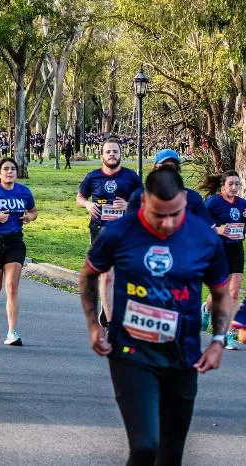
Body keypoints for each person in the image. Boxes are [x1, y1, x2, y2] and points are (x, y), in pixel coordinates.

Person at [79, 167, 231, 466]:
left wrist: (216, 340)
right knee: (145, 446)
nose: (167, 223)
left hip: (182, 357)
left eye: (175, 213)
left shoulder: (204, 239)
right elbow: (88, 275)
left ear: (184, 203)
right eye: (159, 215)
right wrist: (94, 325)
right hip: (132, 353)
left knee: (170, 455)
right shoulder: (119, 233)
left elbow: (222, 293)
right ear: (144, 201)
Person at [77, 137, 143, 326]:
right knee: (106, 276)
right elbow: (79, 198)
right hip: (100, 230)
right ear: (102, 156)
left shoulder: (131, 177)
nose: (112, 155)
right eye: (108, 152)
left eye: (115, 151)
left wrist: (129, 205)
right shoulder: (93, 177)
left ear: (121, 154)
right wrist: (88, 204)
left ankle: (108, 312)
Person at [0, 157, 37, 346]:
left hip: (14, 241)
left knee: (12, 287)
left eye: (13, 169)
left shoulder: (24, 192)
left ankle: (12, 332)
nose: (10, 172)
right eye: (6, 169)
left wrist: (29, 217)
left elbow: (34, 211)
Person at [202, 170, 246, 349]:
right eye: (231, 184)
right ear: (223, 185)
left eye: (237, 184)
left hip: (236, 249)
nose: (234, 187)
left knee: (234, 292)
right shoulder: (212, 203)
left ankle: (227, 334)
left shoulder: (243, 204)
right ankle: (206, 308)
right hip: (218, 251)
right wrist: (217, 230)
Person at [127, 149, 215, 225]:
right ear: (155, 170)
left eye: (172, 167)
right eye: (163, 167)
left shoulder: (193, 198)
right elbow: (128, 230)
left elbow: (208, 230)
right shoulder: (139, 197)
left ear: (178, 171)